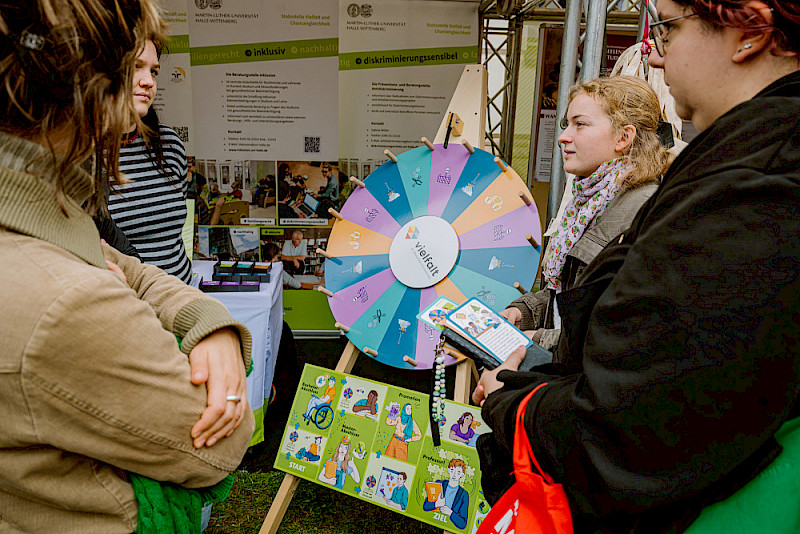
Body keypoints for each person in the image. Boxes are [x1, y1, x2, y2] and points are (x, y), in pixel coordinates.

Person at [474, 2, 800, 532]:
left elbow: (641, 416)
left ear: (748, 33)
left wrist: (518, 401)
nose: (655, 53)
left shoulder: (753, 185)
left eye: (668, 27)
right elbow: (571, 298)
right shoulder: (730, 162)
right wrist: (524, 316)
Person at [0, 2, 254, 532]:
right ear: (95, 94)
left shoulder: (49, 216)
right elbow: (222, 439)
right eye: (129, 71)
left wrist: (206, 320)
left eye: (154, 71)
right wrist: (126, 295)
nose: (144, 85)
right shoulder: (67, 300)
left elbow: (120, 260)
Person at [501, 75, 669, 351]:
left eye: (580, 125)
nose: (563, 137)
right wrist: (525, 313)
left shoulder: (644, 214)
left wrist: (537, 340)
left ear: (624, 137)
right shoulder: (590, 198)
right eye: (567, 124)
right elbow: (573, 297)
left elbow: (618, 329)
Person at [106, 37, 193, 283]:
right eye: (136, 66)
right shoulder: (82, 154)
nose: (149, 81)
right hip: (126, 307)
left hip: (182, 301)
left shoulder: (169, 143)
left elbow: (174, 236)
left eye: (154, 71)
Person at [422, 459, 470, 530]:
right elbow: (425, 506)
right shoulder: (439, 483)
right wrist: (436, 504)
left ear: (462, 474)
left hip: (449, 527)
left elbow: (463, 524)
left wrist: (450, 513)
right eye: (452, 470)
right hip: (432, 523)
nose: (454, 474)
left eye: (458, 472)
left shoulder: (464, 494)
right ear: (448, 470)